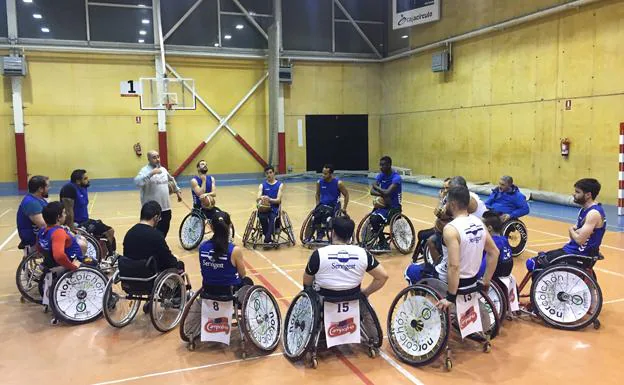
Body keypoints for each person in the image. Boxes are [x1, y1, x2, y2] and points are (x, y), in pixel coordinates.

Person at [403, 186, 500, 311]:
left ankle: (419, 311)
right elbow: (494, 252)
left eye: (446, 202)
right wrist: (486, 281)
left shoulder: (451, 229)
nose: (445, 205)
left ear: (452, 204)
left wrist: (450, 297)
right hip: (472, 280)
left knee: (411, 271)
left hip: (448, 280)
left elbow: (454, 266)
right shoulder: (479, 222)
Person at [528, 178, 605, 269]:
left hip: (579, 255)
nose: (574, 194)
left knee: (531, 263)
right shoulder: (584, 210)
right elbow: (575, 235)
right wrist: (575, 232)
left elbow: (580, 240)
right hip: (572, 250)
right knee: (538, 260)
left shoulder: (593, 213)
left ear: (588, 195)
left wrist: (571, 230)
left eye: (577, 192)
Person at [303, 216, 388, 298]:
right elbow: (383, 276)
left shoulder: (319, 254)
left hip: (323, 300)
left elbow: (307, 282)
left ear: (332, 233)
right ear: (351, 236)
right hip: (353, 298)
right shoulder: (363, 253)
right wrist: (366, 293)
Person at [60, 169, 117, 254]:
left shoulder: (83, 188)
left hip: (85, 220)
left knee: (108, 233)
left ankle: (107, 255)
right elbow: (68, 212)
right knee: (108, 232)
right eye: (85, 178)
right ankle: (107, 256)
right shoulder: (69, 189)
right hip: (77, 223)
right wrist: (71, 229)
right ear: (78, 181)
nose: (88, 180)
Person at [198, 211, 252, 298]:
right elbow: (242, 274)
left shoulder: (202, 247)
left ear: (211, 227)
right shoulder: (234, 250)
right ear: (230, 226)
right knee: (248, 281)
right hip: (228, 293)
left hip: (208, 290)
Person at [123, 201, 185, 273]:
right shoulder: (156, 236)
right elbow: (168, 260)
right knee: (179, 265)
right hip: (148, 276)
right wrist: (175, 259)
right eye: (159, 218)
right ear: (156, 217)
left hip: (129, 275)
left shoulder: (129, 233)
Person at [134, 150, 182, 237]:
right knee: (150, 233)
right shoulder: (144, 170)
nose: (157, 159)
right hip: (151, 210)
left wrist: (177, 191)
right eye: (154, 157)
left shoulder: (163, 170)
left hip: (165, 208)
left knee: (163, 232)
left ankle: (159, 245)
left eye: (158, 157)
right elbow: (137, 182)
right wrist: (151, 174)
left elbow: (171, 179)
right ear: (148, 159)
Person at [37, 201, 90, 271]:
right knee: (93, 263)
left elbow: (39, 248)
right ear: (58, 217)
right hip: (70, 263)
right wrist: (72, 267)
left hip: (52, 262)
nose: (65, 215)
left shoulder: (42, 231)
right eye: (64, 213)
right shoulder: (58, 233)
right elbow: (59, 256)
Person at [308, 164, 349, 242]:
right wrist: (317, 204)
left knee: (325, 214)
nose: (323, 175)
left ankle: (323, 232)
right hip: (322, 205)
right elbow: (317, 194)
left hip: (333, 206)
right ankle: (319, 234)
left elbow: (346, 195)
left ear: (331, 174)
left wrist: (344, 208)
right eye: (322, 173)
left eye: (325, 174)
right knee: (316, 214)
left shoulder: (338, 183)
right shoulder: (319, 182)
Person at [369, 156, 402, 251]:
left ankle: (383, 243)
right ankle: (374, 237)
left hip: (394, 207)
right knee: (372, 218)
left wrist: (377, 187)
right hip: (383, 206)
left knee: (375, 219)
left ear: (389, 165)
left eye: (383, 165)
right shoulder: (380, 175)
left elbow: (387, 192)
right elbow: (372, 191)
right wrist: (383, 194)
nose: (381, 167)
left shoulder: (396, 178)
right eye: (380, 165)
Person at [476, 211, 513, 279]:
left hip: (494, 277)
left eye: (481, 227)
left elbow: (483, 269)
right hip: (506, 275)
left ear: (489, 228)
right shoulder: (504, 239)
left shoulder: (493, 243)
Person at [16, 176, 49, 249]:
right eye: (47, 186)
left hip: (38, 235)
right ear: (40, 189)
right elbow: (43, 225)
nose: (49, 188)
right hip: (33, 239)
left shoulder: (39, 199)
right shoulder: (31, 203)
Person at [256, 165, 284, 244]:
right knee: (262, 217)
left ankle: (267, 239)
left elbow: (278, 200)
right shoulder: (262, 185)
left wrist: (270, 199)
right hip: (264, 208)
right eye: (267, 173)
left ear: (274, 173)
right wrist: (261, 198)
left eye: (270, 172)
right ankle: (268, 237)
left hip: (274, 208)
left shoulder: (280, 185)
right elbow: (258, 197)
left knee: (272, 218)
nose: (269, 174)